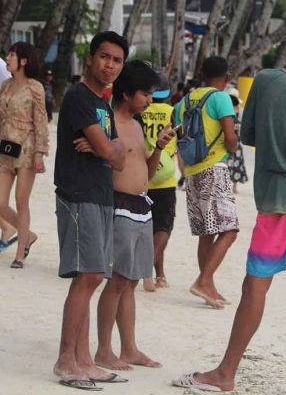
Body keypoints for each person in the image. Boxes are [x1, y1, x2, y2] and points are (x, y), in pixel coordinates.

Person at [173, 22, 286, 395]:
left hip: (276, 201)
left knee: (255, 288)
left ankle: (226, 372)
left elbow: (247, 137)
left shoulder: (265, 80)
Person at [53, 31, 128, 390]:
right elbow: (107, 150)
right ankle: (66, 360)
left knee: (95, 276)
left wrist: (108, 147)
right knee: (88, 276)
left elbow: (118, 161)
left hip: (101, 195)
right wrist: (107, 147)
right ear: (90, 58)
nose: (109, 65)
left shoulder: (105, 105)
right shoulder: (78, 98)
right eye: (104, 57)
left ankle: (84, 359)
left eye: (116, 60)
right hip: (78, 193)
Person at [95, 60, 174, 371]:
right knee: (116, 281)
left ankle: (129, 348)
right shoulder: (109, 122)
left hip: (142, 206)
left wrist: (159, 148)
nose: (150, 100)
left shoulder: (138, 126)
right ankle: (104, 349)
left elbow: (149, 172)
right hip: (119, 207)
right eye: (146, 93)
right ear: (127, 93)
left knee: (129, 282)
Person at [174, 56, 239, 309]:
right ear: (225, 77)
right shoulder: (220, 98)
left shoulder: (182, 102)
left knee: (206, 234)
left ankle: (208, 286)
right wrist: (231, 145)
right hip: (214, 169)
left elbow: (181, 137)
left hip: (192, 171)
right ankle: (204, 281)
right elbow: (231, 139)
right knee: (229, 231)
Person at [0, 42, 49, 268]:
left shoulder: (35, 87)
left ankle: (19, 255)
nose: (7, 58)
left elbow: (41, 122)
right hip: (5, 148)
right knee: (0, 202)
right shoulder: (6, 86)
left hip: (27, 149)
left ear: (24, 60)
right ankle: (27, 234)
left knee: (21, 200)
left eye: (12, 55)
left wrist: (40, 153)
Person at [140, 74, 178, 290]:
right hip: (165, 178)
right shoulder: (172, 112)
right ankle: (148, 269)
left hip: (143, 174)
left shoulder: (140, 112)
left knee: (148, 226)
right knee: (163, 227)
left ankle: (160, 274)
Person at [226, 86, 248, 193]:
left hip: (237, 139)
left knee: (236, 162)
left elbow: (241, 122)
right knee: (229, 161)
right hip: (229, 137)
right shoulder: (226, 108)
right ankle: (229, 184)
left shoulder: (238, 108)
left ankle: (234, 185)